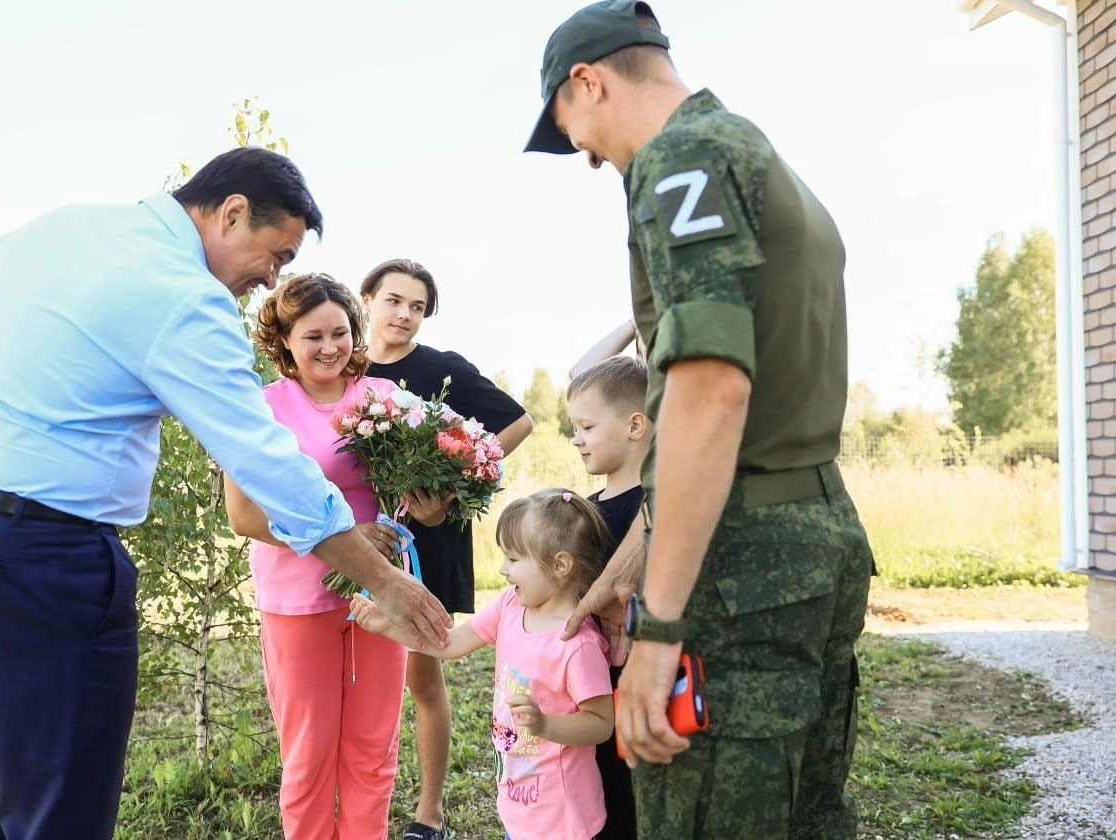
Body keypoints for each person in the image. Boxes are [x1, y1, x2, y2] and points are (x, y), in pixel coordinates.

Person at [0, 147, 451, 840]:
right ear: (230, 213)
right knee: (57, 815)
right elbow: (269, 468)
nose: (270, 278)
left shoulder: (64, 228)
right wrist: (387, 583)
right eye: (276, 253)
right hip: (43, 558)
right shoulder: (184, 297)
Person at [526, 2, 876, 838]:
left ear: (590, 81)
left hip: (743, 569)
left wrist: (659, 630)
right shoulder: (751, 148)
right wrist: (624, 571)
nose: (581, 152)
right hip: (812, 529)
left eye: (567, 125)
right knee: (805, 815)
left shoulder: (680, 162)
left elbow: (711, 394)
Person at [223, 273, 447, 840]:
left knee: (375, 746)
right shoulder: (262, 407)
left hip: (380, 592)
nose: (329, 348)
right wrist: (347, 536)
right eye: (312, 336)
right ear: (284, 341)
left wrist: (430, 506)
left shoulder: (388, 400)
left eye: (340, 333)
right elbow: (243, 516)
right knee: (309, 752)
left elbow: (429, 496)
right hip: (297, 598)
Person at [359, 257, 534, 840]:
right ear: (368, 299)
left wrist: (457, 487)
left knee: (421, 676)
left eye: (417, 307)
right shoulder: (345, 369)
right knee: (359, 677)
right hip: (354, 538)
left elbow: (517, 423)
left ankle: (429, 812)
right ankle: (360, 803)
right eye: (394, 300)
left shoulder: (443, 369)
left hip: (427, 542)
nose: (405, 314)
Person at [350, 489, 614, 840]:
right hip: (518, 806)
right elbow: (450, 643)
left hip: (562, 820)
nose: (503, 569)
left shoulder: (577, 645)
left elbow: (601, 723)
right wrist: (390, 627)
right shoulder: (510, 606)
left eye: (515, 559)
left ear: (561, 565)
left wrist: (545, 724)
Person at [565, 355, 650, 839]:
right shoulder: (586, 508)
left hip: (636, 677)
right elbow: (582, 370)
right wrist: (635, 320)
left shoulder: (656, 507)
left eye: (587, 427)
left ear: (635, 424)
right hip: (588, 687)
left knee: (630, 801)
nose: (576, 438)